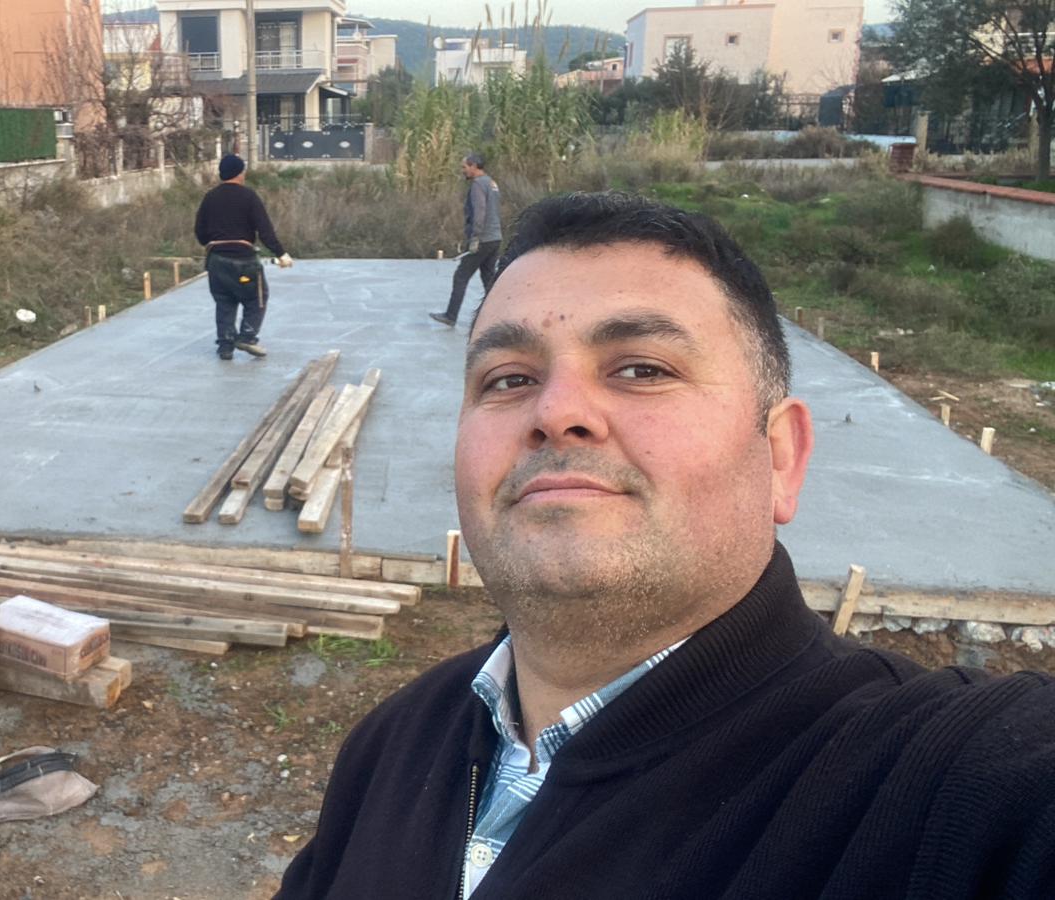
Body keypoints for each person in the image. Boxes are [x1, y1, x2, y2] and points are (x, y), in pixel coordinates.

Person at [278, 191, 1055, 899]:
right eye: (508, 379)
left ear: (781, 456)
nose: (556, 412)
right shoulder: (395, 744)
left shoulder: (935, 786)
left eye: (642, 369)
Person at [194, 153, 293, 360]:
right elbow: (265, 230)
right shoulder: (249, 197)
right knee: (256, 297)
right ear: (239, 173)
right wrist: (281, 253)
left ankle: (225, 346)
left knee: (224, 301)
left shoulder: (210, 197)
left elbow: (200, 231)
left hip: (216, 261)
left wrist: (213, 244)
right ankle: (247, 337)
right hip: (243, 260)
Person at [430, 153, 502, 327]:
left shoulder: (478, 185)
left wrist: (475, 237)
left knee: (461, 276)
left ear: (474, 166)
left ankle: (450, 316)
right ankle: (500, 316)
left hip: (482, 239)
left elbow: (480, 211)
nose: (463, 170)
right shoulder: (491, 183)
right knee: (488, 279)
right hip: (495, 238)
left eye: (465, 167)